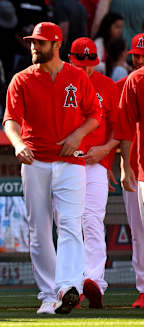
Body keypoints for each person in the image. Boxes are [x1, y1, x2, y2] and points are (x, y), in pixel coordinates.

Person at [3, 22, 101, 315]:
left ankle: (68, 287)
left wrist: (78, 135)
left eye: (40, 43)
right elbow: (10, 120)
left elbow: (94, 114)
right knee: (40, 230)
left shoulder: (77, 76)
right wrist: (17, 143)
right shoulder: (21, 79)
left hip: (71, 162)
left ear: (57, 44)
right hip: (35, 161)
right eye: (32, 42)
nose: (34, 47)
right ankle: (49, 293)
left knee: (71, 223)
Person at [68, 37, 120, 309]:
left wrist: (106, 153)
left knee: (91, 220)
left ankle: (95, 282)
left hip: (96, 162)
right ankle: (71, 286)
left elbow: (117, 128)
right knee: (68, 223)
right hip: (66, 164)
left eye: (90, 65)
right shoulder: (62, 83)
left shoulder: (107, 85)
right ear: (69, 59)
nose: (86, 70)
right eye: (80, 64)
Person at [114, 32, 144, 308]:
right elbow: (118, 127)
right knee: (139, 230)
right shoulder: (126, 83)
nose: (140, 59)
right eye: (137, 54)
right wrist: (124, 164)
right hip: (139, 167)